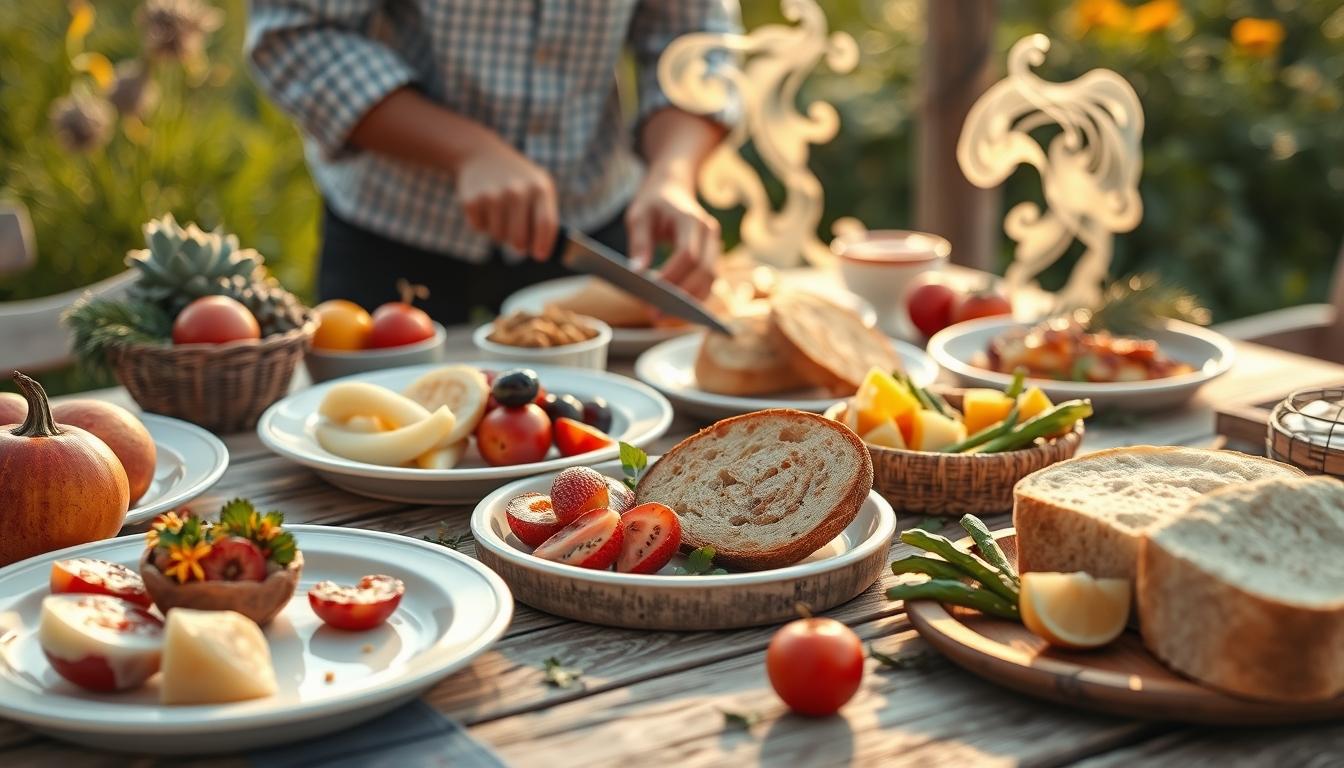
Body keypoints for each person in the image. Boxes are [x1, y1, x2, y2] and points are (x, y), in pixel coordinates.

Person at [246, 1, 740, 323]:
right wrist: (467, 150)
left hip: (591, 226)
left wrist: (672, 173)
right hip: (394, 232)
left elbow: (698, 41)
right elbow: (295, 32)